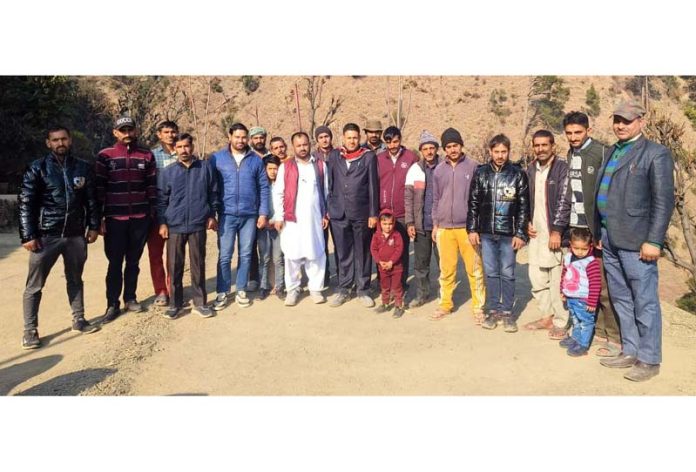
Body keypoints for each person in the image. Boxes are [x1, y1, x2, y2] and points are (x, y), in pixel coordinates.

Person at [596, 99, 675, 382]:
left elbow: (663, 202)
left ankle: (650, 358)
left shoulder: (656, 154)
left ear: (641, 121)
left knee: (644, 301)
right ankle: (630, 349)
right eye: (617, 119)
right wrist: (600, 232)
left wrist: (654, 240)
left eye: (626, 120)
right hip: (610, 238)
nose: (620, 125)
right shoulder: (612, 151)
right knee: (621, 298)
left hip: (638, 241)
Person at [18, 126, 101, 349]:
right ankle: (30, 330)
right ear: (48, 143)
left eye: (64, 139)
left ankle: (79, 319)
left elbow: (92, 200)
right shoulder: (37, 168)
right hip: (46, 236)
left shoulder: (82, 167)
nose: (60, 143)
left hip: (75, 235)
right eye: (55, 140)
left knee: (75, 279)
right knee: (34, 285)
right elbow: (26, 203)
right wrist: (28, 234)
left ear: (70, 140)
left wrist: (93, 226)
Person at [560, 111, 621, 357]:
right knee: (579, 282)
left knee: (602, 284)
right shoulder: (571, 153)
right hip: (576, 229)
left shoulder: (602, 152)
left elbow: (608, 193)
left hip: (594, 229)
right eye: (569, 133)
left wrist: (600, 227)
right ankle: (591, 329)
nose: (574, 137)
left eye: (578, 132)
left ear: (588, 130)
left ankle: (614, 336)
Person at [95, 116, 157, 323]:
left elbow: (151, 188)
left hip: (140, 218)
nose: (127, 134)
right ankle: (112, 304)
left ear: (136, 131)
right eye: (123, 130)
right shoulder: (105, 156)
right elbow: (99, 190)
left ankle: (130, 298)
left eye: (130, 130)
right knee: (114, 263)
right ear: (115, 133)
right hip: (115, 219)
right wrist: (99, 219)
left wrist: (152, 215)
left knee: (133, 262)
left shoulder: (146, 156)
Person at [467, 134, 529, 332]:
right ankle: (493, 310)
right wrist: (472, 229)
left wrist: (520, 233)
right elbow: (473, 203)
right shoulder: (481, 173)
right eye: (497, 152)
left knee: (508, 273)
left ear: (509, 151)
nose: (500, 155)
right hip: (486, 232)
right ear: (490, 151)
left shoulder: (517, 174)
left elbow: (523, 207)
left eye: (504, 151)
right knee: (492, 273)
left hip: (508, 233)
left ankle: (508, 313)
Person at [157, 133, 218, 320]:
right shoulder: (168, 172)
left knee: (198, 264)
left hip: (198, 224)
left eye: (187, 146)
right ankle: (175, 304)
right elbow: (161, 200)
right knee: (174, 266)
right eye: (180, 147)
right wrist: (162, 223)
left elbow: (213, 193)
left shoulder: (205, 169)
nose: (184, 150)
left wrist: (211, 215)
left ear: (192, 147)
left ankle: (200, 303)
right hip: (174, 225)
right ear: (174, 149)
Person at [210, 123, 270, 310]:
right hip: (226, 215)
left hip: (249, 215)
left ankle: (241, 289)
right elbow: (211, 188)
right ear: (230, 136)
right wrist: (212, 214)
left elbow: (263, 188)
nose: (240, 140)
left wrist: (263, 212)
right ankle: (222, 291)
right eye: (237, 136)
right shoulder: (217, 159)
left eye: (244, 137)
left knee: (245, 254)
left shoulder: (255, 160)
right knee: (225, 255)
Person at [430, 127, 485, 321]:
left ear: (461, 145)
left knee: (475, 269)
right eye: (449, 147)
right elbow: (436, 199)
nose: (453, 149)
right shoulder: (438, 170)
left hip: (467, 228)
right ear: (444, 149)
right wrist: (436, 225)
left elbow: (479, 199)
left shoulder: (473, 166)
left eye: (456, 145)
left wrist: (476, 226)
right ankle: (445, 304)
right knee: (446, 270)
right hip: (445, 228)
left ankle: (479, 307)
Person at [523, 129, 570, 340]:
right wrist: (526, 223)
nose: (540, 149)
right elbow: (524, 201)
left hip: (554, 233)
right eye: (537, 145)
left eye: (544, 145)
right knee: (536, 277)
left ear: (553, 146)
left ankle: (561, 320)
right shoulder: (531, 169)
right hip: (536, 233)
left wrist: (557, 231)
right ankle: (546, 316)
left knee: (556, 279)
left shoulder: (561, 168)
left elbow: (564, 200)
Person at [326, 122, 380, 308]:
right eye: (348, 137)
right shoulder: (334, 156)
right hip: (339, 213)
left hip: (361, 212)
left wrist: (373, 213)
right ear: (343, 138)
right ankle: (344, 288)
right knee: (343, 253)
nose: (352, 141)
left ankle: (363, 289)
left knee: (363, 252)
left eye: (355, 138)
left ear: (360, 138)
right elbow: (330, 184)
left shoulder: (368, 157)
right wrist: (330, 207)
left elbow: (374, 186)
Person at [273, 132, 329, 306]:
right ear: (293, 147)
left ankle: (315, 289)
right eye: (299, 145)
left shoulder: (320, 165)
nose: (302, 148)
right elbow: (279, 193)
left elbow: (326, 191)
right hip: (292, 219)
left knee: (316, 253)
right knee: (292, 254)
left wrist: (326, 214)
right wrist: (279, 216)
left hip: (314, 217)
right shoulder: (286, 167)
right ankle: (293, 289)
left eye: (305, 144)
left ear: (309, 145)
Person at [377, 125, 419, 287]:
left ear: (400, 140)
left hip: (403, 213)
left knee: (401, 249)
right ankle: (384, 282)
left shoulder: (411, 158)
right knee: (383, 248)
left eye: (395, 141)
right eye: (389, 142)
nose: (393, 145)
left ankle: (401, 283)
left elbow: (416, 187)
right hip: (384, 213)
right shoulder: (379, 159)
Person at [405, 130, 441, 307]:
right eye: (425, 148)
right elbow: (408, 198)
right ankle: (422, 294)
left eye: (432, 147)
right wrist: (410, 222)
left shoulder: (445, 167)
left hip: (441, 225)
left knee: (444, 262)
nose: (429, 151)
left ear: (436, 149)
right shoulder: (415, 169)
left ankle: (445, 294)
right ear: (421, 150)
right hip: (421, 224)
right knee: (421, 264)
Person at [148, 120, 179, 307]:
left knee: (175, 255)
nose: (170, 135)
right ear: (159, 134)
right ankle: (160, 290)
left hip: (177, 211)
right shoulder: (151, 156)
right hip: (156, 211)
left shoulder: (183, 153)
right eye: (166, 132)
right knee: (155, 254)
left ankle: (174, 288)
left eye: (173, 132)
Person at [559, 228, 602, 357]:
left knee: (586, 322)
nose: (580, 252)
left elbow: (596, 283)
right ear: (571, 245)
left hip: (584, 299)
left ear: (590, 247)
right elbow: (564, 275)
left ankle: (583, 344)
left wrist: (592, 301)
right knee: (575, 320)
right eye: (576, 248)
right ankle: (575, 338)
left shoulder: (591, 263)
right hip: (571, 297)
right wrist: (562, 290)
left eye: (584, 249)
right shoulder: (567, 257)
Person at [258, 154, 285, 300]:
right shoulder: (261, 185)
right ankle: (264, 286)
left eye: (276, 168)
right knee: (265, 257)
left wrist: (276, 220)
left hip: (278, 225)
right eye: (270, 168)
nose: (273, 172)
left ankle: (280, 286)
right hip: (263, 225)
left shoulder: (282, 184)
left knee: (278, 257)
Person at [311, 125, 336, 287]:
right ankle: (324, 275)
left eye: (327, 136)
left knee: (341, 244)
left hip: (338, 205)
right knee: (321, 243)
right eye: (321, 137)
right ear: (316, 140)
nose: (324, 140)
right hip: (320, 206)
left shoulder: (339, 154)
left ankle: (344, 275)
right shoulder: (313, 158)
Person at [370, 209, 406, 318]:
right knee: (384, 286)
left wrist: (391, 262)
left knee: (396, 287)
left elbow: (399, 250)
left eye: (390, 224)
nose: (388, 227)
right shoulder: (377, 235)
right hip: (382, 267)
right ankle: (385, 303)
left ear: (394, 223)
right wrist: (379, 261)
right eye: (385, 224)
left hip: (396, 267)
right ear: (380, 224)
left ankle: (398, 306)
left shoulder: (397, 235)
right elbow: (373, 249)